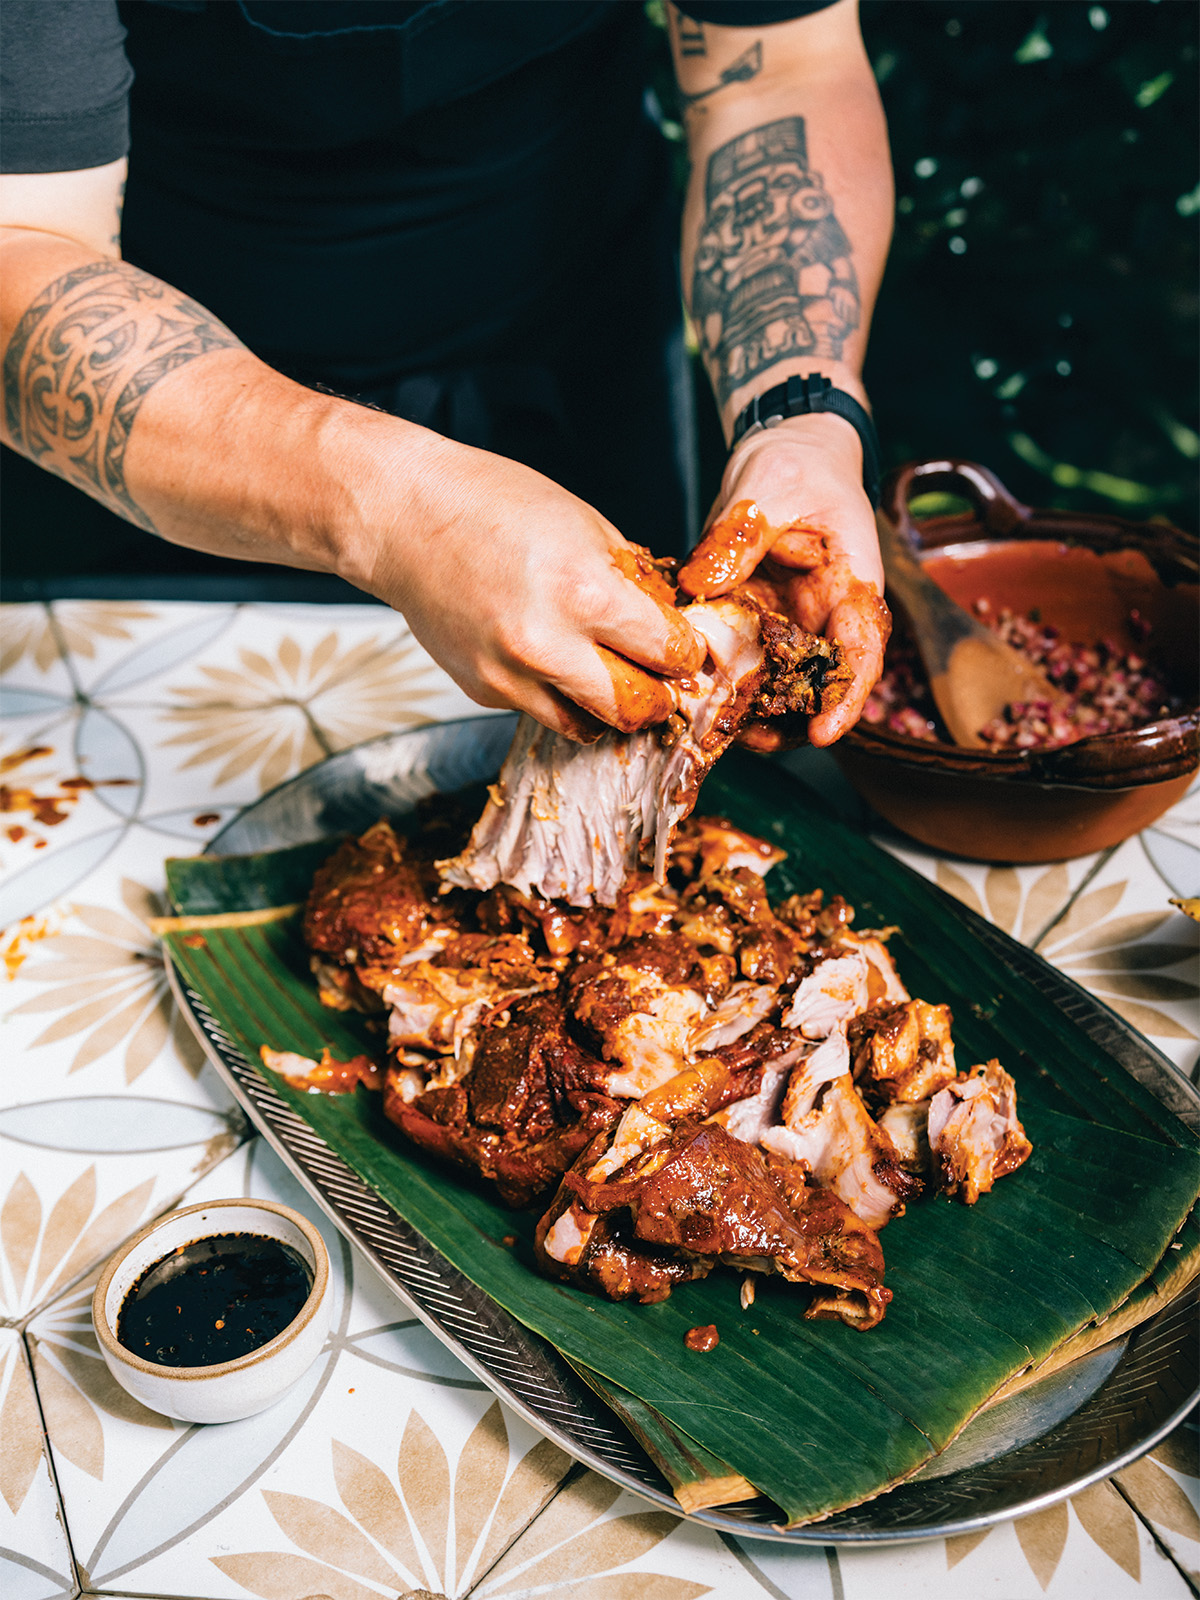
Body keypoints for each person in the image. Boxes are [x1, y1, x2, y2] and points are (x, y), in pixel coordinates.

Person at [0, 0, 891, 747]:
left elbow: (779, 72)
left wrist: (800, 414)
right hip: (160, 404)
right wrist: (396, 507)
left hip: (576, 350)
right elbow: (20, 246)